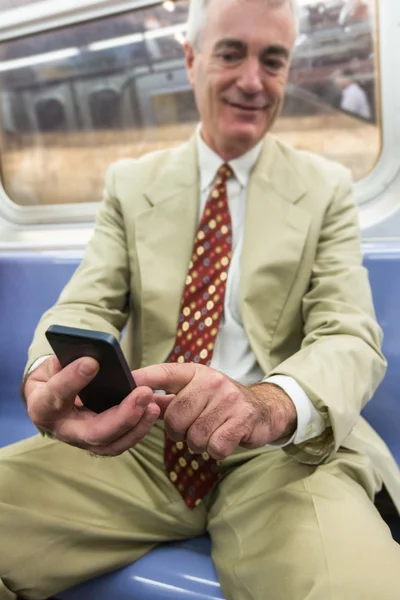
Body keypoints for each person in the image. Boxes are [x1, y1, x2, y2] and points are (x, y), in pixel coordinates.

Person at [1, 0, 399, 598]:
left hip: (280, 451)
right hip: (141, 438)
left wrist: (267, 403)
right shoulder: (132, 185)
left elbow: (348, 332)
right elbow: (86, 304)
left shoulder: (326, 190)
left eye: (273, 60)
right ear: (190, 61)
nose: (252, 80)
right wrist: (47, 373)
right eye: (231, 53)